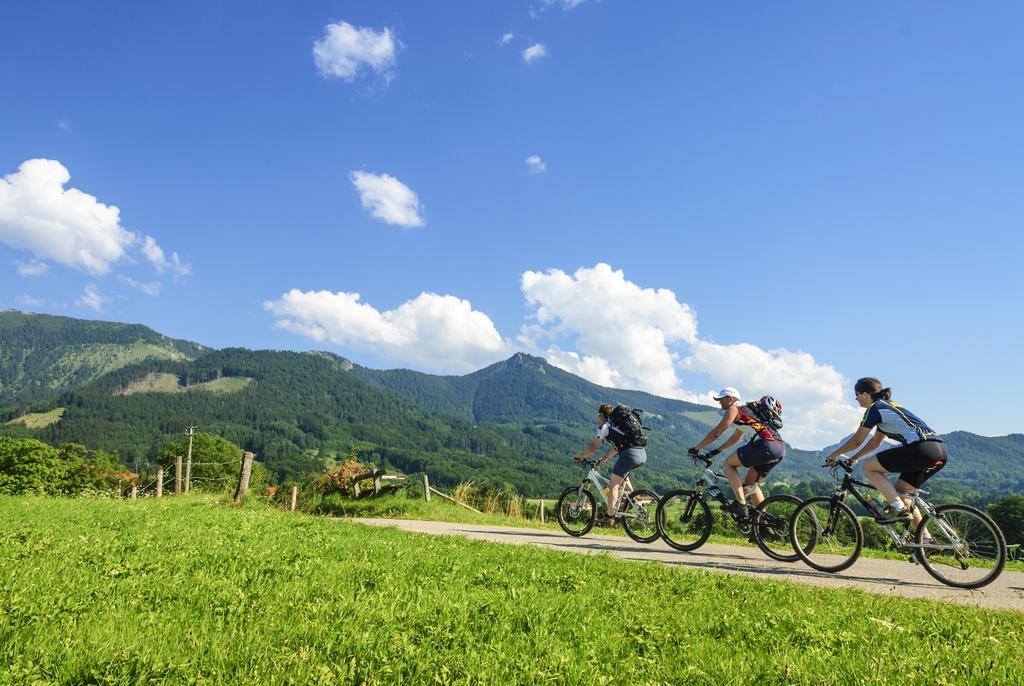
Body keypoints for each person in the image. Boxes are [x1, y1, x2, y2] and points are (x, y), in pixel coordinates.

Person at [825, 377, 947, 527]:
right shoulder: (887, 407)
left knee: (868, 467)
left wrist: (833, 454)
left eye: (857, 394)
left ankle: (897, 508)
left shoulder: (875, 408)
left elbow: (857, 440)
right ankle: (925, 540)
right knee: (902, 494)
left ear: (865, 394)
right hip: (937, 450)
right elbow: (875, 442)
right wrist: (854, 458)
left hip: (921, 449)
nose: (856, 398)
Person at [688, 387, 786, 512]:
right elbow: (735, 438)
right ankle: (764, 526)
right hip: (779, 448)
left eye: (721, 399)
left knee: (729, 464)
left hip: (766, 445)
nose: (719, 402)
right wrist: (716, 451)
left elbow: (716, 433)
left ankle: (741, 505)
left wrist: (696, 448)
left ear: (730, 399)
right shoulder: (747, 412)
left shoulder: (733, 409)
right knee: (750, 485)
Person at [574, 403, 647, 519]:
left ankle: (611, 513)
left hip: (630, 455)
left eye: (599, 415)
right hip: (641, 453)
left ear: (601, 415)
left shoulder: (606, 426)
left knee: (614, 484)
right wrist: (604, 458)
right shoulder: (618, 425)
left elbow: (593, 447)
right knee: (621, 475)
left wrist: (581, 456)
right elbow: (617, 447)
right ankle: (634, 499)